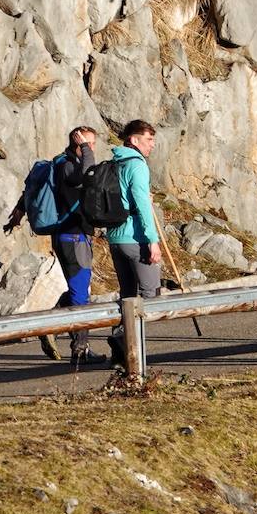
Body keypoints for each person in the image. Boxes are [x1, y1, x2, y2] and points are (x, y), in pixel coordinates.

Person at [7, 126, 107, 365]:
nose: (92, 148)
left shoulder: (60, 163)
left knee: (78, 291)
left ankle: (51, 324)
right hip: (73, 237)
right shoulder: (68, 165)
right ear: (78, 143)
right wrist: (84, 148)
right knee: (80, 294)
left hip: (66, 237)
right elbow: (87, 173)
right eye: (89, 143)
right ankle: (80, 349)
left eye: (92, 144)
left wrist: (19, 212)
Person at [105, 119, 162, 368]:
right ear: (133, 139)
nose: (151, 146)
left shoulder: (115, 162)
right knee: (151, 295)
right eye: (148, 140)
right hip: (135, 237)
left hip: (115, 238)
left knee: (128, 296)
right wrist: (153, 241)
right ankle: (124, 344)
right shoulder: (137, 165)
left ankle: (122, 357)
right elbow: (141, 206)